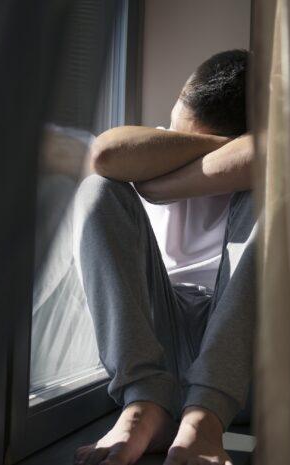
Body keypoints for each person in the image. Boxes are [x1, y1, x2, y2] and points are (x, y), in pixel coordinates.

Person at [73, 49, 256, 465]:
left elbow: (275, 150)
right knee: (97, 189)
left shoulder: (271, 151)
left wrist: (160, 184)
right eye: (179, 131)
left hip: (236, 359)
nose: (175, 137)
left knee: (272, 194)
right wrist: (217, 151)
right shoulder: (156, 144)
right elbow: (105, 156)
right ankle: (144, 405)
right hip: (157, 351)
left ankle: (205, 419)